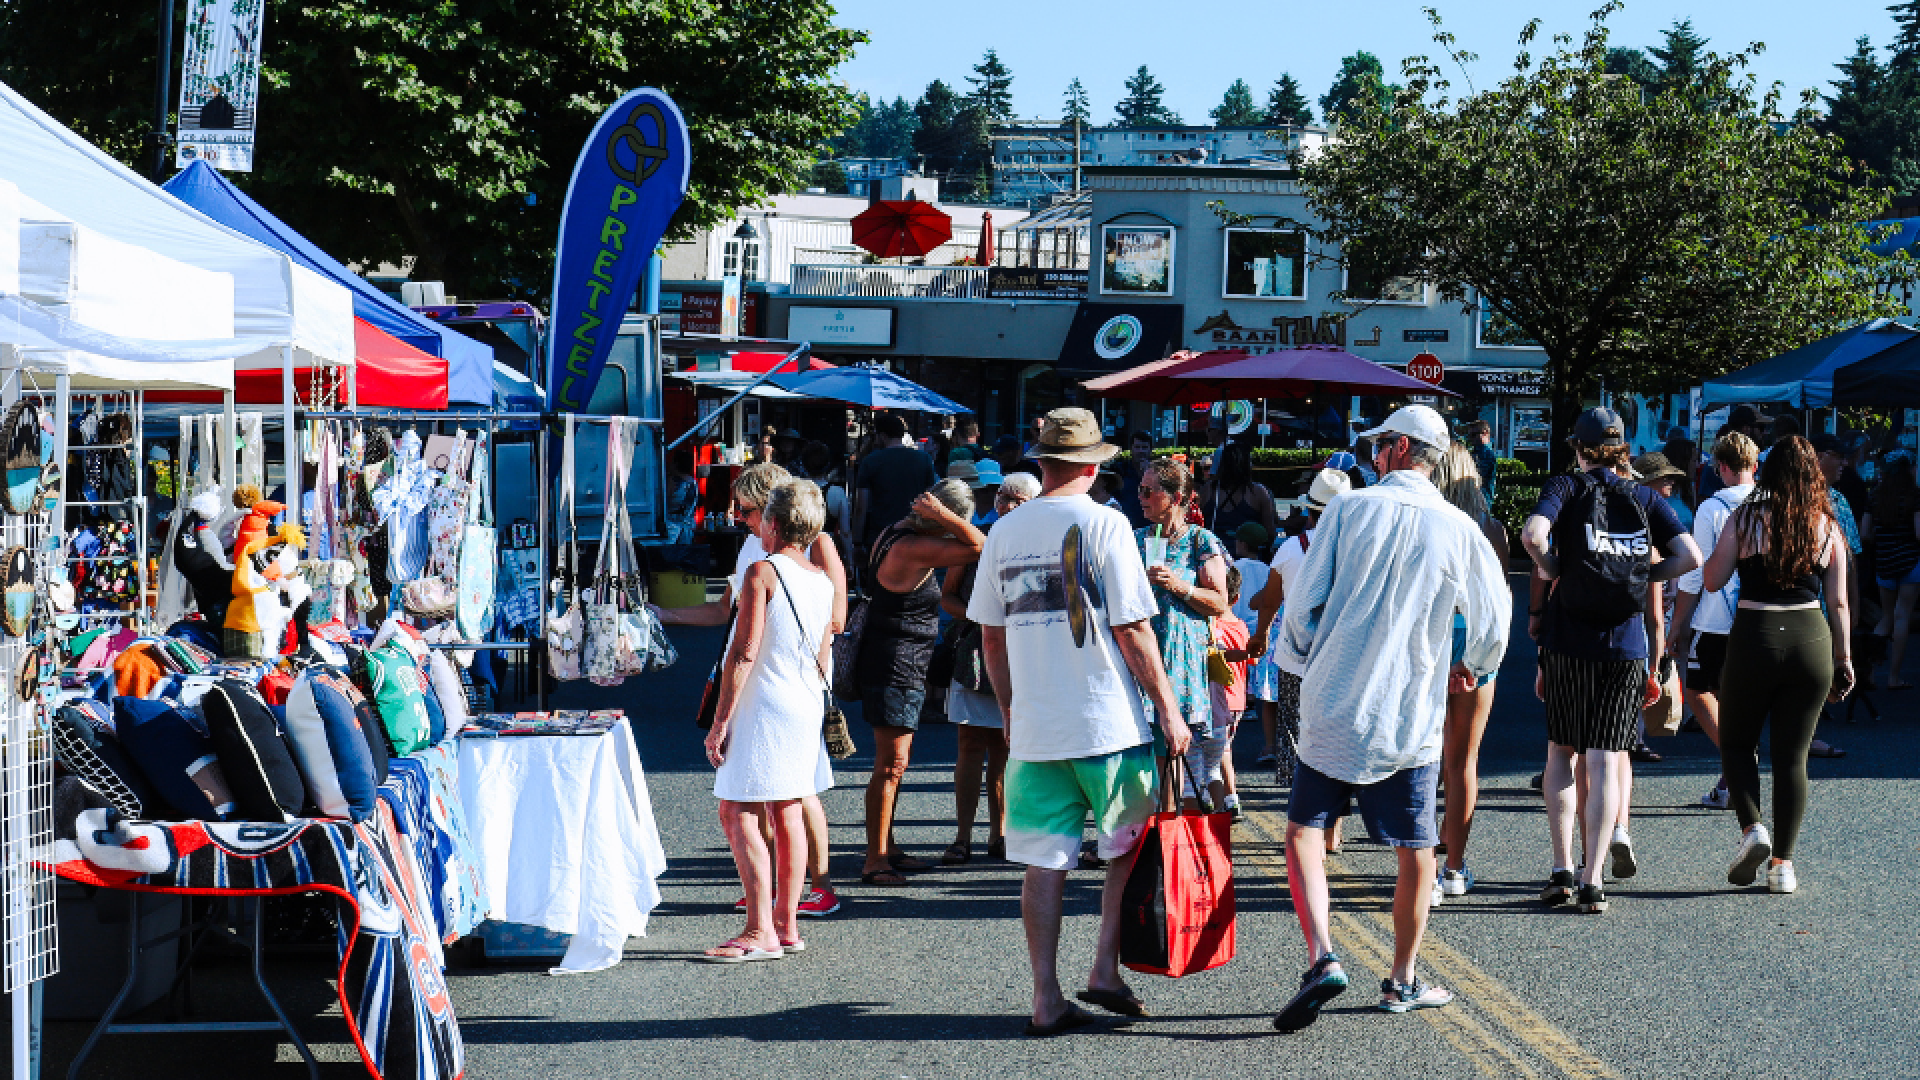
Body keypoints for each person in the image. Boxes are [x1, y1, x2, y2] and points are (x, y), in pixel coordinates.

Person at [1267, 405, 1510, 1032]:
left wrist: (1296, 661)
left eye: (1379, 445)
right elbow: (1493, 622)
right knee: (1417, 851)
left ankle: (1322, 954)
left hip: (1332, 699)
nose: (1374, 454)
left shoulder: (1348, 509)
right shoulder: (1461, 528)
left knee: (1303, 829)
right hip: (1408, 712)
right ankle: (1401, 978)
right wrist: (1474, 667)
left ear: (1400, 448)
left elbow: (1301, 605)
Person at [965, 407, 1191, 1035]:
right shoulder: (1106, 525)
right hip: (1108, 722)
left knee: (1044, 861)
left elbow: (991, 635)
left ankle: (1045, 997)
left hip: (1036, 727)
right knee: (1125, 848)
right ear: (1092, 466)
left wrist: (1010, 711)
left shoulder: (1006, 529)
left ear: (1042, 463)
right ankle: (1103, 967)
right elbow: (1134, 629)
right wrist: (1169, 710)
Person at [1521, 408, 1702, 915]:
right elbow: (1690, 557)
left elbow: (1533, 536)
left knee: (1562, 752)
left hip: (1567, 639)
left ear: (1578, 448)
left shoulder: (1566, 487)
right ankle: (1592, 879)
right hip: (1624, 644)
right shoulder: (1644, 496)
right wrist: (1647, 577)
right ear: (1623, 449)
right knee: (1604, 758)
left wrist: (1558, 568)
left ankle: (1559, 870)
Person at [656, 464, 845, 918]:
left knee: (793, 793)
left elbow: (833, 620)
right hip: (773, 681)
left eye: (744, 509)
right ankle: (776, 901)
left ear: (772, 511)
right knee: (773, 796)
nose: (738, 517)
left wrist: (808, 674)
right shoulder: (753, 552)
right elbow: (727, 613)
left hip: (783, 680)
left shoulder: (806, 547)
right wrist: (665, 615)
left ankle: (811, 890)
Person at [1699, 436, 1853, 894]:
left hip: (1754, 637)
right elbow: (1840, 601)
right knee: (1793, 757)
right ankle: (1783, 866)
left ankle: (1753, 830)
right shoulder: (1826, 525)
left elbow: (1713, 579)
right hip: (1811, 639)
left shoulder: (1745, 517)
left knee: (1737, 740)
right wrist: (1844, 659)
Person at [701, 479, 836, 961]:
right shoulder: (821, 579)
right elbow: (823, 653)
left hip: (765, 704)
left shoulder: (762, 572)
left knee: (737, 810)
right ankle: (786, 925)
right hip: (803, 702)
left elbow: (742, 654)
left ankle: (759, 930)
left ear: (773, 523)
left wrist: (720, 721)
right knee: (787, 811)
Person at [856, 479, 986, 886]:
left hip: (895, 660)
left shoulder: (898, 531)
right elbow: (981, 545)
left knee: (895, 764)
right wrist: (945, 518)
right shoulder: (912, 545)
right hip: (895, 663)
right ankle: (875, 860)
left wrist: (938, 517)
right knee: (890, 766)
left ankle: (887, 847)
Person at [939, 474, 1038, 865]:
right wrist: (979, 618)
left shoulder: (1037, 543)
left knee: (1004, 747)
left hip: (1020, 654)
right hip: (974, 651)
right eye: (1002, 497)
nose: (1008, 505)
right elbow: (947, 596)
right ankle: (962, 835)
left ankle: (999, 834)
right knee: (968, 746)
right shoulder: (974, 539)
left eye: (1017, 499)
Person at [1429, 443, 1510, 900]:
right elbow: (1498, 600)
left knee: (1424, 758)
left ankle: (1423, 866)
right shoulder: (1491, 529)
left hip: (1431, 639)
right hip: (1475, 639)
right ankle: (1454, 869)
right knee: (1463, 762)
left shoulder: (1425, 523)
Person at [1133, 458, 1233, 808]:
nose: (1141, 497)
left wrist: (1178, 586)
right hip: (1140, 653)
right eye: (1140, 489)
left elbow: (1220, 602)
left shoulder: (1200, 541)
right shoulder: (1137, 539)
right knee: (1134, 754)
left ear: (1175, 498)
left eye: (1149, 491)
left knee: (1169, 754)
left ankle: (1164, 836)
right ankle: (1132, 836)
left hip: (1177, 660)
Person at [1247, 469, 1352, 800]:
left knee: (1293, 728)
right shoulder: (1357, 548)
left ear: (1309, 510)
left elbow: (1269, 600)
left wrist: (1261, 634)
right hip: (1341, 656)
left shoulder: (1291, 548)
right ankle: (1332, 817)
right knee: (1335, 734)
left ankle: (1300, 805)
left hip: (1296, 655)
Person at [1671, 433, 1758, 809]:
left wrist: (1678, 625)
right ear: (1755, 466)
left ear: (1721, 467)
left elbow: (1694, 572)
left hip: (1716, 618)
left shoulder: (1712, 508)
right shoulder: (1772, 503)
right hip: (1759, 614)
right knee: (1743, 701)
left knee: (1700, 691)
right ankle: (1731, 778)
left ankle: (1738, 762)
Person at [1230, 522, 1282, 768]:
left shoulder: (1234, 568)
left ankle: (1245, 701)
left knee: (1240, 667)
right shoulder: (1268, 568)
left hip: (1238, 627)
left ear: (1240, 544)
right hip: (1262, 626)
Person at [852, 412, 938, 557]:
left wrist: (857, 541)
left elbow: (861, 506)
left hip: (880, 535)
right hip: (913, 533)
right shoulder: (924, 459)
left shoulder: (870, 461)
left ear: (883, 436)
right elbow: (931, 498)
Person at [1871, 449, 1920, 689]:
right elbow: (1919, 533)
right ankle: (1894, 676)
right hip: (1910, 561)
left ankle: (1867, 672)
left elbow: (1865, 533)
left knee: (1886, 617)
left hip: (1884, 561)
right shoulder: (1915, 496)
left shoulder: (1876, 496)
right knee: (1903, 617)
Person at [1199, 441, 1280, 542]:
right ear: (1245, 465)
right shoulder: (1258, 492)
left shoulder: (1207, 490)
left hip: (1214, 553)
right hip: (1247, 555)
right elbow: (1270, 533)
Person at [1700, 406, 1766, 501]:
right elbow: (1704, 502)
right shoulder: (1713, 465)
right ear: (1746, 429)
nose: (1764, 433)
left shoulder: (1713, 464)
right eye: (1761, 428)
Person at [801, 441, 851, 565]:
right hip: (828, 551)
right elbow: (845, 532)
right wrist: (850, 561)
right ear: (828, 464)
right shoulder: (837, 492)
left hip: (801, 552)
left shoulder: (796, 490)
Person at [1635, 451, 1693, 532]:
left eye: (1672, 477)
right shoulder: (1638, 512)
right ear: (1648, 481)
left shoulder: (1664, 509)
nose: (1673, 482)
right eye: (1667, 477)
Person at [1115, 430, 1155, 528]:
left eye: (1144, 447)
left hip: (1150, 527)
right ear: (1131, 449)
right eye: (1137, 447)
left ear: (1150, 450)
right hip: (1125, 526)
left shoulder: (1158, 472)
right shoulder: (1120, 470)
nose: (1141, 451)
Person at [665, 449, 701, 544]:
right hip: (688, 526)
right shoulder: (694, 483)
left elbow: (665, 501)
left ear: (676, 464)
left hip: (672, 527)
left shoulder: (672, 481)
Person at [1464, 420, 1498, 501]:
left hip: (1481, 500)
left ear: (1485, 433)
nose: (1470, 438)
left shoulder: (1486, 454)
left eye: (1473, 435)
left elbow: (1476, 476)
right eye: (1469, 435)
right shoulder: (1476, 452)